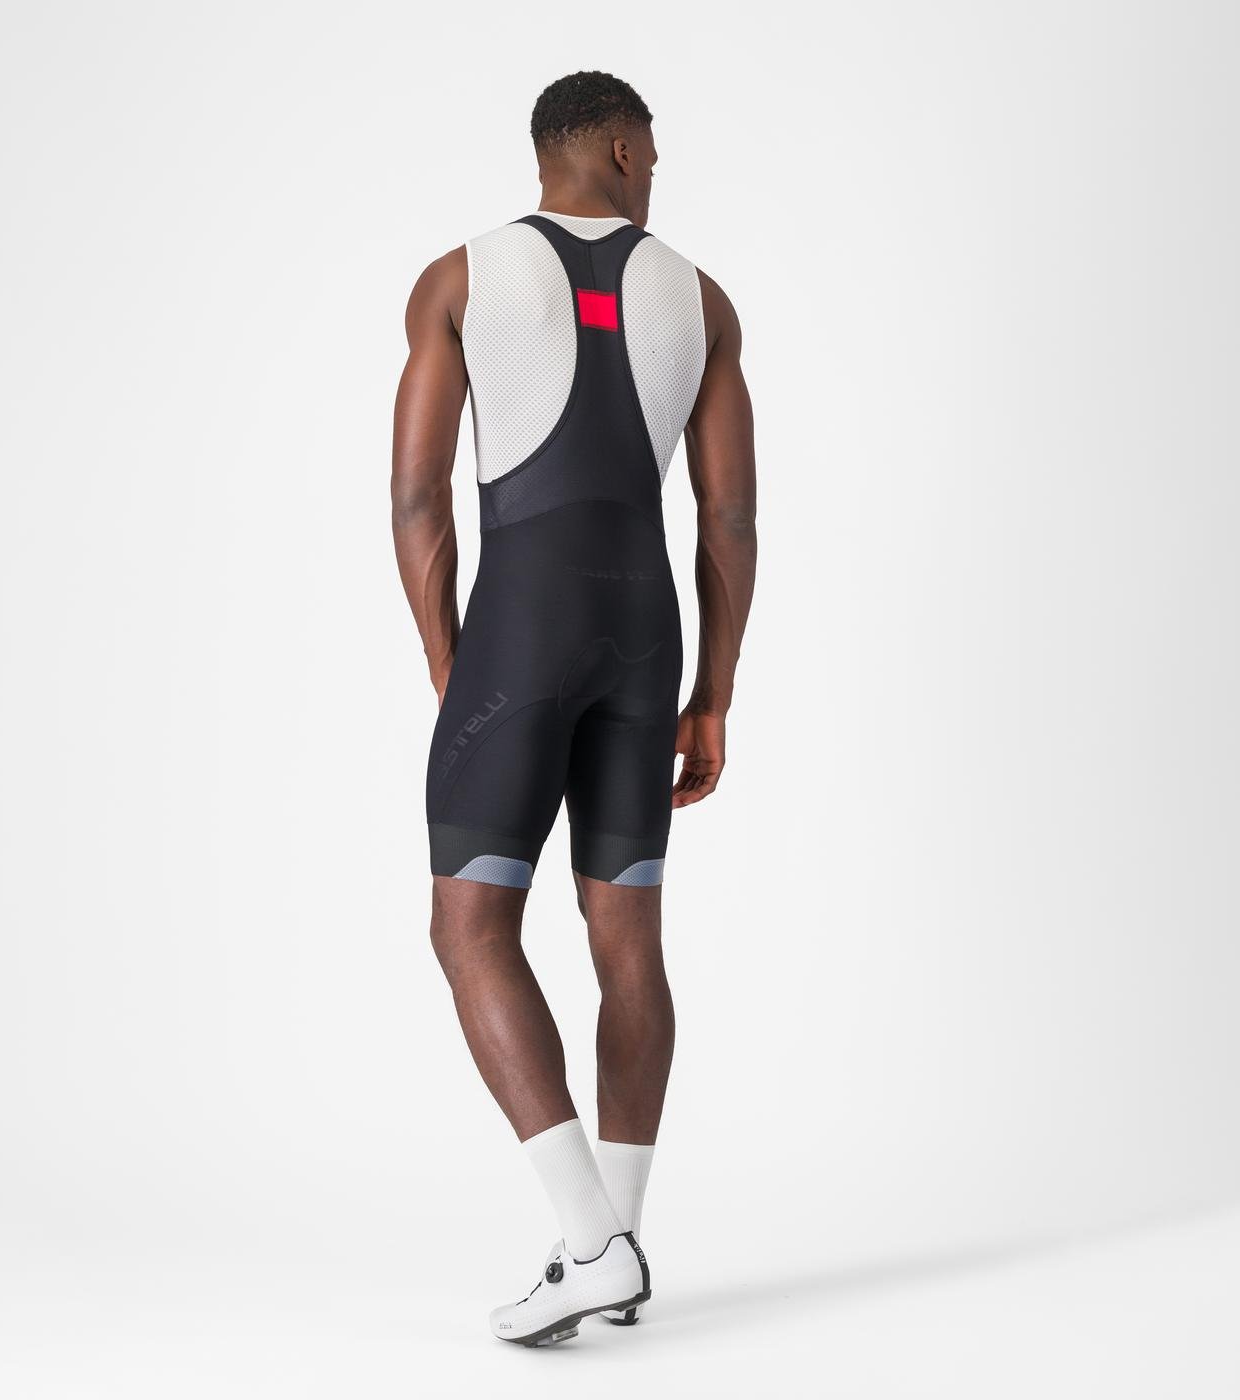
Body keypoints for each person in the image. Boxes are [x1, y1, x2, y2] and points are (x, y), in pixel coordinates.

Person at [391, 69, 757, 1345]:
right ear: (615, 145)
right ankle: (616, 1245)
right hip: (645, 636)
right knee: (627, 937)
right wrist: (710, 693)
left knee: (467, 922)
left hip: (523, 626)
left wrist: (456, 665)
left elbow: (418, 499)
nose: (656, 171)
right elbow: (727, 517)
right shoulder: (700, 298)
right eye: (651, 150)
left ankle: (594, 1242)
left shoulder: (457, 278)